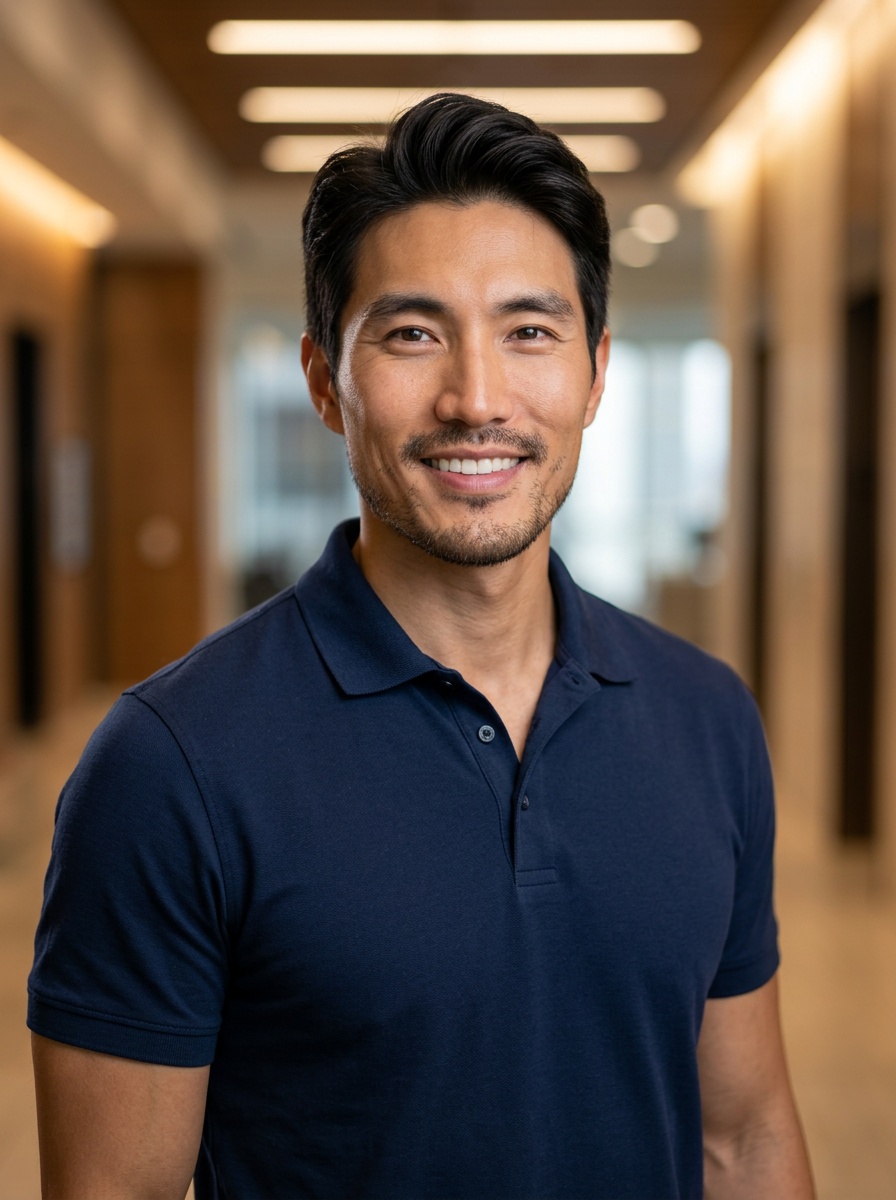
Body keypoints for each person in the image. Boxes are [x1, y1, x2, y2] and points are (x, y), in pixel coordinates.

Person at [29, 93, 814, 1199]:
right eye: (410, 333)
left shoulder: (705, 716)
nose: (475, 398)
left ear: (594, 372)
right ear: (323, 382)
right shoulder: (171, 764)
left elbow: (742, 1138)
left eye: (528, 331)